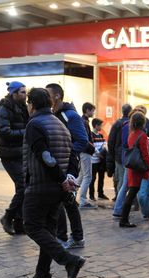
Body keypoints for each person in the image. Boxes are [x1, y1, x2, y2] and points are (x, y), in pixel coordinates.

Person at [21, 87, 85, 278]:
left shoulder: (34, 124)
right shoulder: (60, 123)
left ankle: (68, 260)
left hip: (40, 186)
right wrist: (68, 177)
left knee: (31, 226)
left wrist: (61, 178)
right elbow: (73, 153)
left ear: (31, 104)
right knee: (47, 229)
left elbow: (45, 157)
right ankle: (42, 274)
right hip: (57, 189)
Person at [46, 83, 89, 250]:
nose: (46, 96)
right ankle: (72, 237)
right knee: (65, 201)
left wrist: (67, 153)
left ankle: (67, 238)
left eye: (48, 93)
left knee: (66, 201)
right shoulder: (54, 114)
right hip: (59, 164)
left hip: (67, 165)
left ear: (57, 95)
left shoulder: (70, 115)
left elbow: (82, 140)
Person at [118, 111, 149, 227]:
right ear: (143, 123)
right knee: (135, 194)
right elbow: (145, 155)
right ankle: (123, 220)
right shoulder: (142, 136)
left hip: (133, 169)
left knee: (143, 192)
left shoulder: (132, 134)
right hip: (140, 169)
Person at [0, 81, 29, 234]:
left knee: (23, 186)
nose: (25, 94)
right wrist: (26, 132)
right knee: (23, 186)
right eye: (22, 92)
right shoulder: (3, 108)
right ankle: (8, 217)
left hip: (21, 152)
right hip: (8, 154)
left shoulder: (23, 107)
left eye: (25, 92)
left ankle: (19, 224)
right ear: (13, 93)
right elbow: (4, 132)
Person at [106, 104, 132, 200]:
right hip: (127, 155)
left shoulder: (117, 123)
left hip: (118, 155)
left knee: (120, 179)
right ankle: (122, 201)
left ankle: (120, 199)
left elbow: (111, 141)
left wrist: (113, 155)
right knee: (125, 179)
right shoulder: (131, 123)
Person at [76, 102, 96, 208]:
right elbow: (85, 138)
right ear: (87, 110)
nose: (93, 112)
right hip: (85, 151)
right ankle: (83, 200)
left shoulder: (83, 121)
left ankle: (72, 195)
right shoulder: (84, 122)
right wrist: (92, 147)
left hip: (83, 151)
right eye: (92, 110)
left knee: (81, 176)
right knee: (87, 176)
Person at [89, 118, 107, 201]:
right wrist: (98, 153)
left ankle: (100, 193)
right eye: (100, 125)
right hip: (93, 160)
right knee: (92, 178)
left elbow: (104, 144)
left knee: (101, 177)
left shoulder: (101, 135)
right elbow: (92, 146)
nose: (101, 127)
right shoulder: (91, 135)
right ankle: (91, 195)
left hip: (101, 160)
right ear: (96, 125)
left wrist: (103, 150)